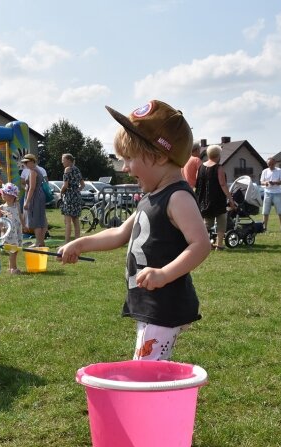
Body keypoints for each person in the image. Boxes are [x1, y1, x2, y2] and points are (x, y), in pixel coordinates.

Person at [59, 99, 211, 361]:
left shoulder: (178, 198)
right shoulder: (151, 197)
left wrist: (164, 274)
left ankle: (154, 401)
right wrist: (80, 243)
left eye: (129, 158)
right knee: (149, 369)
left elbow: (201, 244)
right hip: (150, 303)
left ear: (160, 155)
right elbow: (120, 233)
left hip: (163, 305)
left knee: (145, 370)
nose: (124, 168)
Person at [195, 144, 236, 251]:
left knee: (207, 223)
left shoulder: (201, 167)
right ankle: (219, 244)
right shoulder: (219, 168)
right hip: (217, 200)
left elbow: (198, 183)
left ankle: (202, 243)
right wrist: (230, 199)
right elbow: (223, 184)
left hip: (204, 200)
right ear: (218, 155)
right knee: (222, 221)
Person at [21, 154, 48, 247]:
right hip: (40, 195)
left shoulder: (33, 171)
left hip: (35, 196)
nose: (25, 164)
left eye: (26, 162)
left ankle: (38, 242)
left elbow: (32, 188)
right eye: (24, 162)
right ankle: (41, 242)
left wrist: (27, 202)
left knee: (36, 219)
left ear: (32, 161)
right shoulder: (38, 170)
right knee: (42, 219)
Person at [0, 182, 24, 274]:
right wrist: (2, 229)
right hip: (8, 231)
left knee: (16, 249)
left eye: (5, 193)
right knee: (13, 249)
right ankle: (13, 268)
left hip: (16, 230)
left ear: (13, 196)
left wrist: (23, 225)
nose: (3, 195)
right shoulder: (2, 207)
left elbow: (20, 216)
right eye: (3, 193)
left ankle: (11, 267)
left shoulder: (16, 205)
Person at [60, 153, 83, 243]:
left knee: (68, 222)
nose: (62, 162)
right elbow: (83, 185)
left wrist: (61, 192)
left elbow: (65, 185)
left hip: (69, 196)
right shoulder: (77, 170)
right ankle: (77, 241)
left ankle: (66, 243)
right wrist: (76, 190)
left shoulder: (67, 169)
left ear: (69, 160)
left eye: (63, 160)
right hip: (76, 196)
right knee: (76, 220)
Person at [260, 157, 281, 232]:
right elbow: (261, 182)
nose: (270, 166)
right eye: (269, 164)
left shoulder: (279, 170)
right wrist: (266, 183)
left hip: (277, 192)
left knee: (280, 211)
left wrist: (275, 183)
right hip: (267, 192)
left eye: (272, 164)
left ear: (275, 163)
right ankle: (265, 227)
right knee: (265, 211)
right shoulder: (264, 171)